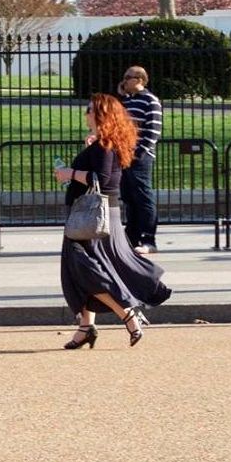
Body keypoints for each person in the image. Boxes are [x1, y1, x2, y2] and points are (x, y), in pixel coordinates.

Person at [54, 92, 171, 348]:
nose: (85, 113)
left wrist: (68, 173)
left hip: (93, 220)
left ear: (100, 114)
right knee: (80, 271)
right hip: (94, 216)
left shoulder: (105, 145)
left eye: (89, 109)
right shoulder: (102, 143)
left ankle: (127, 314)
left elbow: (103, 180)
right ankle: (85, 327)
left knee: (87, 271)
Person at [118, 65, 162, 254]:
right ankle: (132, 237)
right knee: (129, 198)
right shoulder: (127, 102)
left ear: (140, 80)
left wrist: (139, 153)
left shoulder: (150, 101)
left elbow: (153, 131)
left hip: (140, 157)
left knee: (143, 197)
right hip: (124, 155)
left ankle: (148, 239)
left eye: (128, 77)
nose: (124, 81)